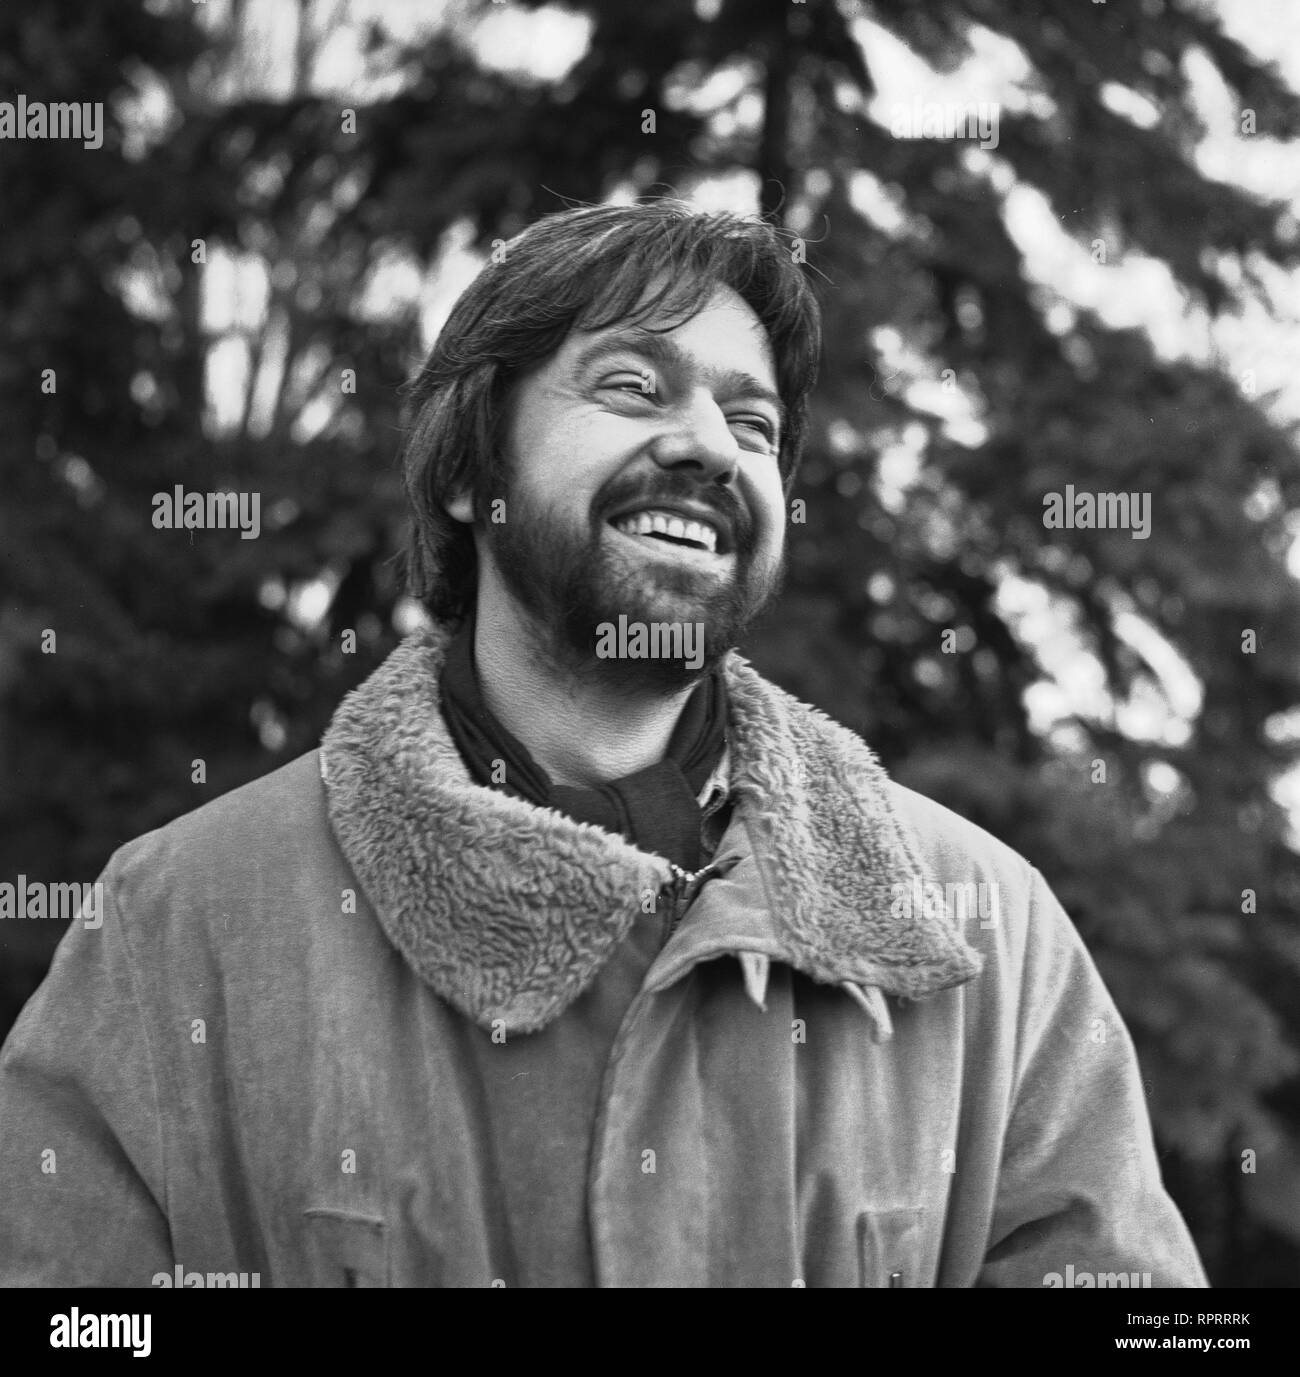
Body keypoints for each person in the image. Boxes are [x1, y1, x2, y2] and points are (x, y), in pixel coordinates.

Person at [0, 200, 1207, 1288]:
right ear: (475, 472)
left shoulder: (982, 931)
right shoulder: (181, 922)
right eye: (632, 387)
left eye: (751, 421)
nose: (708, 447)